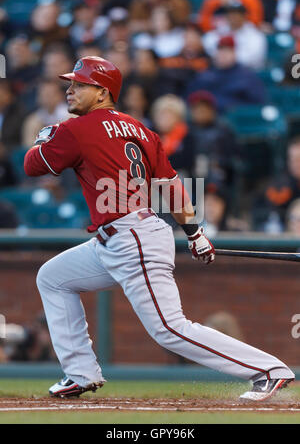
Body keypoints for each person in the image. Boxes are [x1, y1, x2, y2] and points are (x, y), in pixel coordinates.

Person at [24, 56, 294, 401]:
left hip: (130, 237)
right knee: (53, 277)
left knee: (169, 328)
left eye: (79, 84)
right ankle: (80, 372)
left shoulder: (74, 129)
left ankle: (269, 370)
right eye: (70, 83)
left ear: (103, 92)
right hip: (125, 236)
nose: (70, 90)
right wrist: (194, 233)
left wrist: (42, 139)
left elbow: (33, 166)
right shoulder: (143, 130)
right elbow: (171, 187)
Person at [185, 35, 267, 113]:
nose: (223, 55)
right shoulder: (205, 75)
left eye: (227, 51)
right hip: (209, 120)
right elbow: (189, 98)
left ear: (234, 53)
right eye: (220, 51)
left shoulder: (247, 77)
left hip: (236, 121)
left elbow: (258, 104)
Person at [203, 0, 267, 70]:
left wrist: (228, 58)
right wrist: (222, 57)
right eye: (230, 13)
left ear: (245, 15)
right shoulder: (221, 30)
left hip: (247, 73)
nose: (234, 16)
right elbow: (207, 42)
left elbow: (254, 58)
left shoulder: (254, 34)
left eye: (238, 13)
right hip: (222, 71)